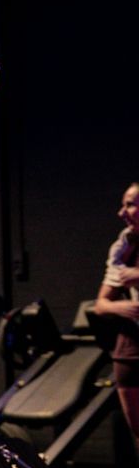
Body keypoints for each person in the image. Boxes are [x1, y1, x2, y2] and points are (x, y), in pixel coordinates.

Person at [94, 182, 139, 439]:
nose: (121, 212)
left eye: (130, 204)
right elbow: (101, 304)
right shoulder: (123, 246)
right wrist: (121, 306)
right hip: (131, 352)